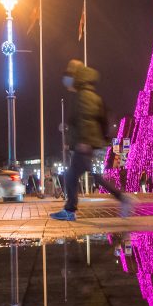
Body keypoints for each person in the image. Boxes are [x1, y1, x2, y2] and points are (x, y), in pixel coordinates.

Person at [51, 60, 133, 221]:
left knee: (71, 176)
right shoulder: (90, 95)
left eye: (69, 75)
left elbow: (85, 120)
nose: (66, 79)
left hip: (85, 144)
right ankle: (123, 199)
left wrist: (84, 142)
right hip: (91, 143)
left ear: (77, 77)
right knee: (91, 176)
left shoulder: (83, 96)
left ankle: (70, 210)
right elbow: (99, 120)